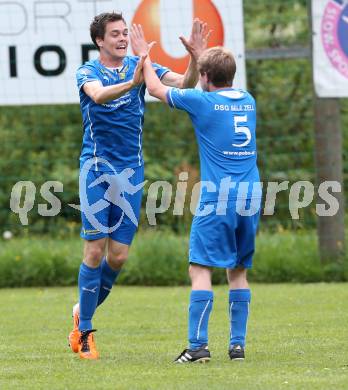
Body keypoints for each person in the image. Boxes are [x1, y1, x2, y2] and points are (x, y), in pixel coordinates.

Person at [69, 12, 211, 359]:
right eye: (114, 34)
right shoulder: (87, 71)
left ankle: (80, 312)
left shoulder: (142, 64)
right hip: (97, 170)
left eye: (123, 33)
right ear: (99, 41)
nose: (121, 38)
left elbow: (185, 83)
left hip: (130, 173)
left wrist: (195, 59)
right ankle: (85, 331)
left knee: (118, 257)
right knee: (94, 251)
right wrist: (133, 83)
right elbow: (98, 95)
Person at [132, 25, 261, 363]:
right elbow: (212, 77)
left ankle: (198, 347)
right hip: (252, 196)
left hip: (219, 197)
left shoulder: (201, 102)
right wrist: (199, 57)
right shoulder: (247, 101)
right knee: (238, 270)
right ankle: (237, 347)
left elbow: (157, 88)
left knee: (200, 268)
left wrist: (143, 54)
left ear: (205, 76)